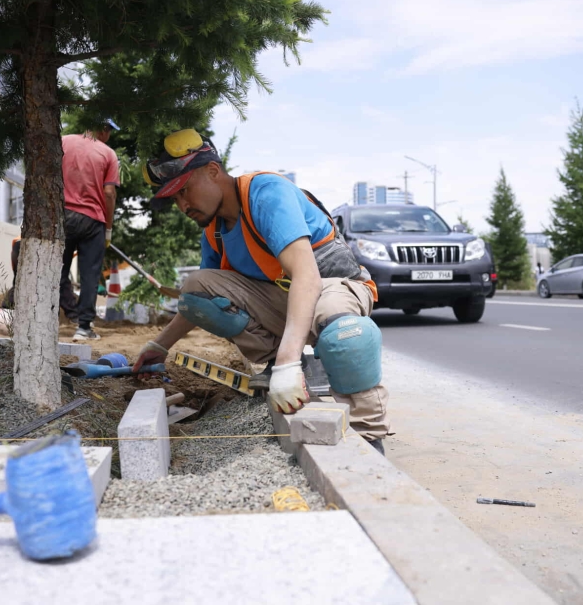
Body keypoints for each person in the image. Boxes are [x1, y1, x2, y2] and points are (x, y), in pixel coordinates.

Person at [132, 129, 390, 453]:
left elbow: (307, 277)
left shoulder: (265, 193)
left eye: (185, 190)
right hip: (285, 301)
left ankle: (369, 441)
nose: (182, 205)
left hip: (330, 287)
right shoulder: (214, 230)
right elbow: (196, 301)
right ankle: (277, 367)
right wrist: (159, 346)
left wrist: (288, 362)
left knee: (346, 336)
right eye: (175, 198)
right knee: (196, 288)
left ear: (213, 171)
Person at [60, 119, 120, 341]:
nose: (110, 136)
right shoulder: (108, 154)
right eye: (111, 131)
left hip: (61, 216)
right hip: (92, 220)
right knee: (89, 275)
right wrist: (108, 229)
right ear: (104, 129)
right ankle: (84, 327)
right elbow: (109, 193)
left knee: (57, 271)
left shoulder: (63, 142)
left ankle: (57, 317)